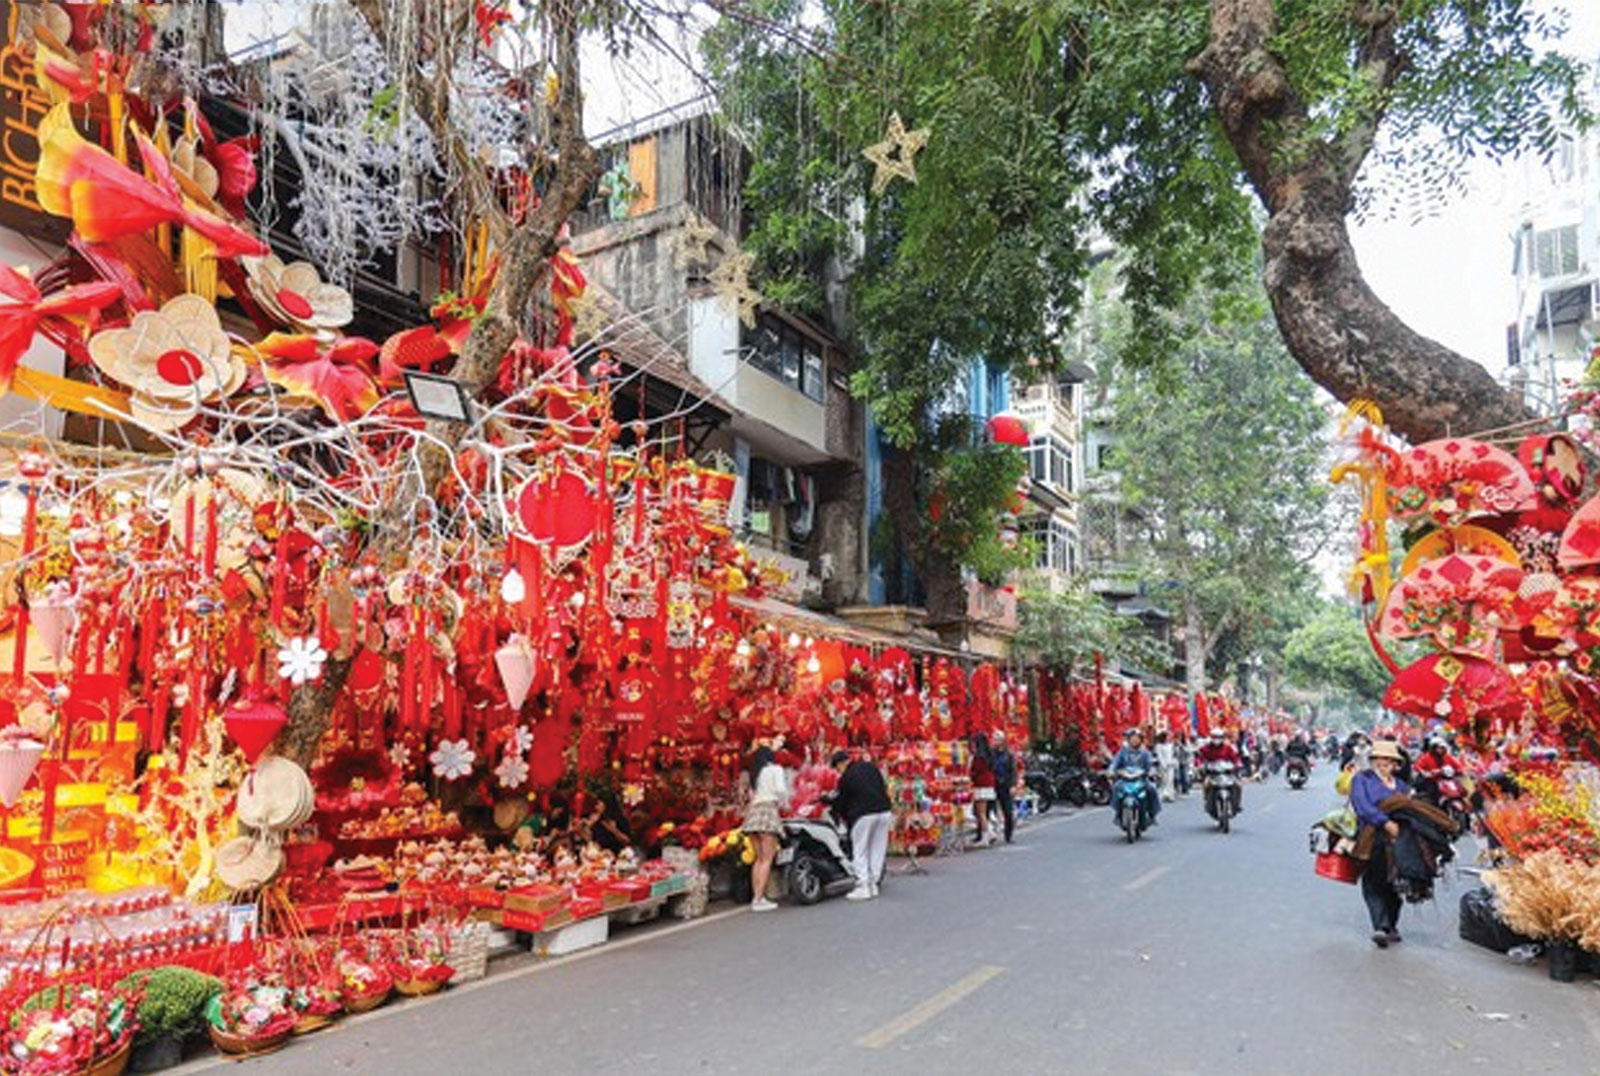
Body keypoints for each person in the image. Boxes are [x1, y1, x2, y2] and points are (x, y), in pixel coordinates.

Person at [1349, 740, 1409, 947]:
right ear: (1373, 761)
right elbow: (1362, 805)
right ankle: (1381, 926)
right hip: (1372, 836)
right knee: (1374, 881)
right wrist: (1385, 822)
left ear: (1395, 764)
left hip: (1398, 840)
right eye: (1379, 759)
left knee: (1395, 884)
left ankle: (1392, 924)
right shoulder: (1362, 780)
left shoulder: (1401, 785)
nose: (1383, 763)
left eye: (1388, 760)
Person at [828, 749, 894, 900]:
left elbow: (842, 801)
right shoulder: (870, 767)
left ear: (841, 764)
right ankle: (873, 883)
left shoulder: (846, 777)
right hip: (883, 811)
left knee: (860, 849)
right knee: (877, 848)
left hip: (863, 814)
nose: (838, 771)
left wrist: (833, 807)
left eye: (837, 768)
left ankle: (863, 885)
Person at [744, 744, 790, 912]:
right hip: (768, 812)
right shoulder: (775, 769)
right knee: (767, 859)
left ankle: (757, 897)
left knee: (758, 859)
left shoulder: (755, 774)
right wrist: (785, 803)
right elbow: (781, 790)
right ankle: (759, 899)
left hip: (753, 815)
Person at [1109, 728, 1160, 825]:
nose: (1134, 740)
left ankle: (1152, 815)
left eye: (1136, 738)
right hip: (1125, 780)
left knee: (1152, 789)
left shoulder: (1145, 753)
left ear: (1140, 740)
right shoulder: (1123, 752)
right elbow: (1115, 763)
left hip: (1141, 780)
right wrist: (1111, 771)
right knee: (1116, 788)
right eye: (1132, 738)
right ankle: (1117, 813)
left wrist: (1152, 772)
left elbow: (1150, 765)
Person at [1194, 727, 1243, 813]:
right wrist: (1199, 765)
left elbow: (1235, 758)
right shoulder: (1206, 748)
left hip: (1226, 773)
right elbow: (1199, 757)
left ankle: (1237, 804)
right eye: (1214, 737)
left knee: (1238, 785)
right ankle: (1207, 801)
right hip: (1212, 773)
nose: (1216, 739)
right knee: (1206, 785)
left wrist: (1238, 764)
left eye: (1218, 737)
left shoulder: (1227, 747)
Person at [968, 734, 998, 845]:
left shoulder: (979, 757)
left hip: (981, 786)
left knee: (981, 813)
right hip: (989, 786)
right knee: (984, 812)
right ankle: (990, 832)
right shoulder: (989, 755)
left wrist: (971, 775)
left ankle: (985, 836)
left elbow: (976, 771)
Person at [991, 731, 1018, 843]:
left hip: (1005, 784)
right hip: (993, 784)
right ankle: (991, 834)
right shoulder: (991, 753)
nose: (994, 741)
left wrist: (1013, 785)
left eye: (997, 739)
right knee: (990, 810)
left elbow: (1013, 771)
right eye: (994, 739)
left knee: (1007, 811)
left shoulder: (1009, 754)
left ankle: (1008, 835)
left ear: (1002, 741)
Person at [1154, 730, 1177, 802]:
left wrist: (1174, 762)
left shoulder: (1171, 745)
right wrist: (1163, 765)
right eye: (1168, 736)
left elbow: (1174, 755)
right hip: (1163, 765)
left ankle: (1170, 795)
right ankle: (1164, 794)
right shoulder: (1159, 746)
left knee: (1170, 780)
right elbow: (1159, 756)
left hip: (1171, 765)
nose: (1169, 738)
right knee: (1164, 780)